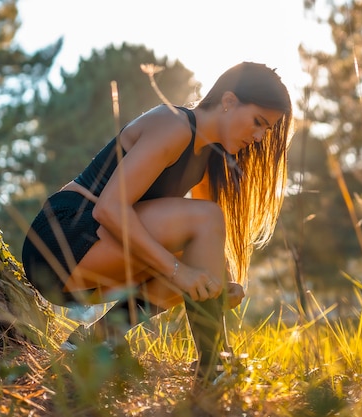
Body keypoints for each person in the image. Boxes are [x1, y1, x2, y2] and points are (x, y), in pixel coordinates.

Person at [21, 61, 293, 384]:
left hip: (89, 260)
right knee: (191, 253)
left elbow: (208, 243)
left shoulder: (207, 159)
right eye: (258, 122)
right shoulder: (175, 124)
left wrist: (219, 285)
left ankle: (95, 338)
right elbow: (108, 209)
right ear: (229, 101)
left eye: (267, 130)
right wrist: (180, 272)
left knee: (201, 267)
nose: (260, 137)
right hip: (62, 238)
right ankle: (215, 368)